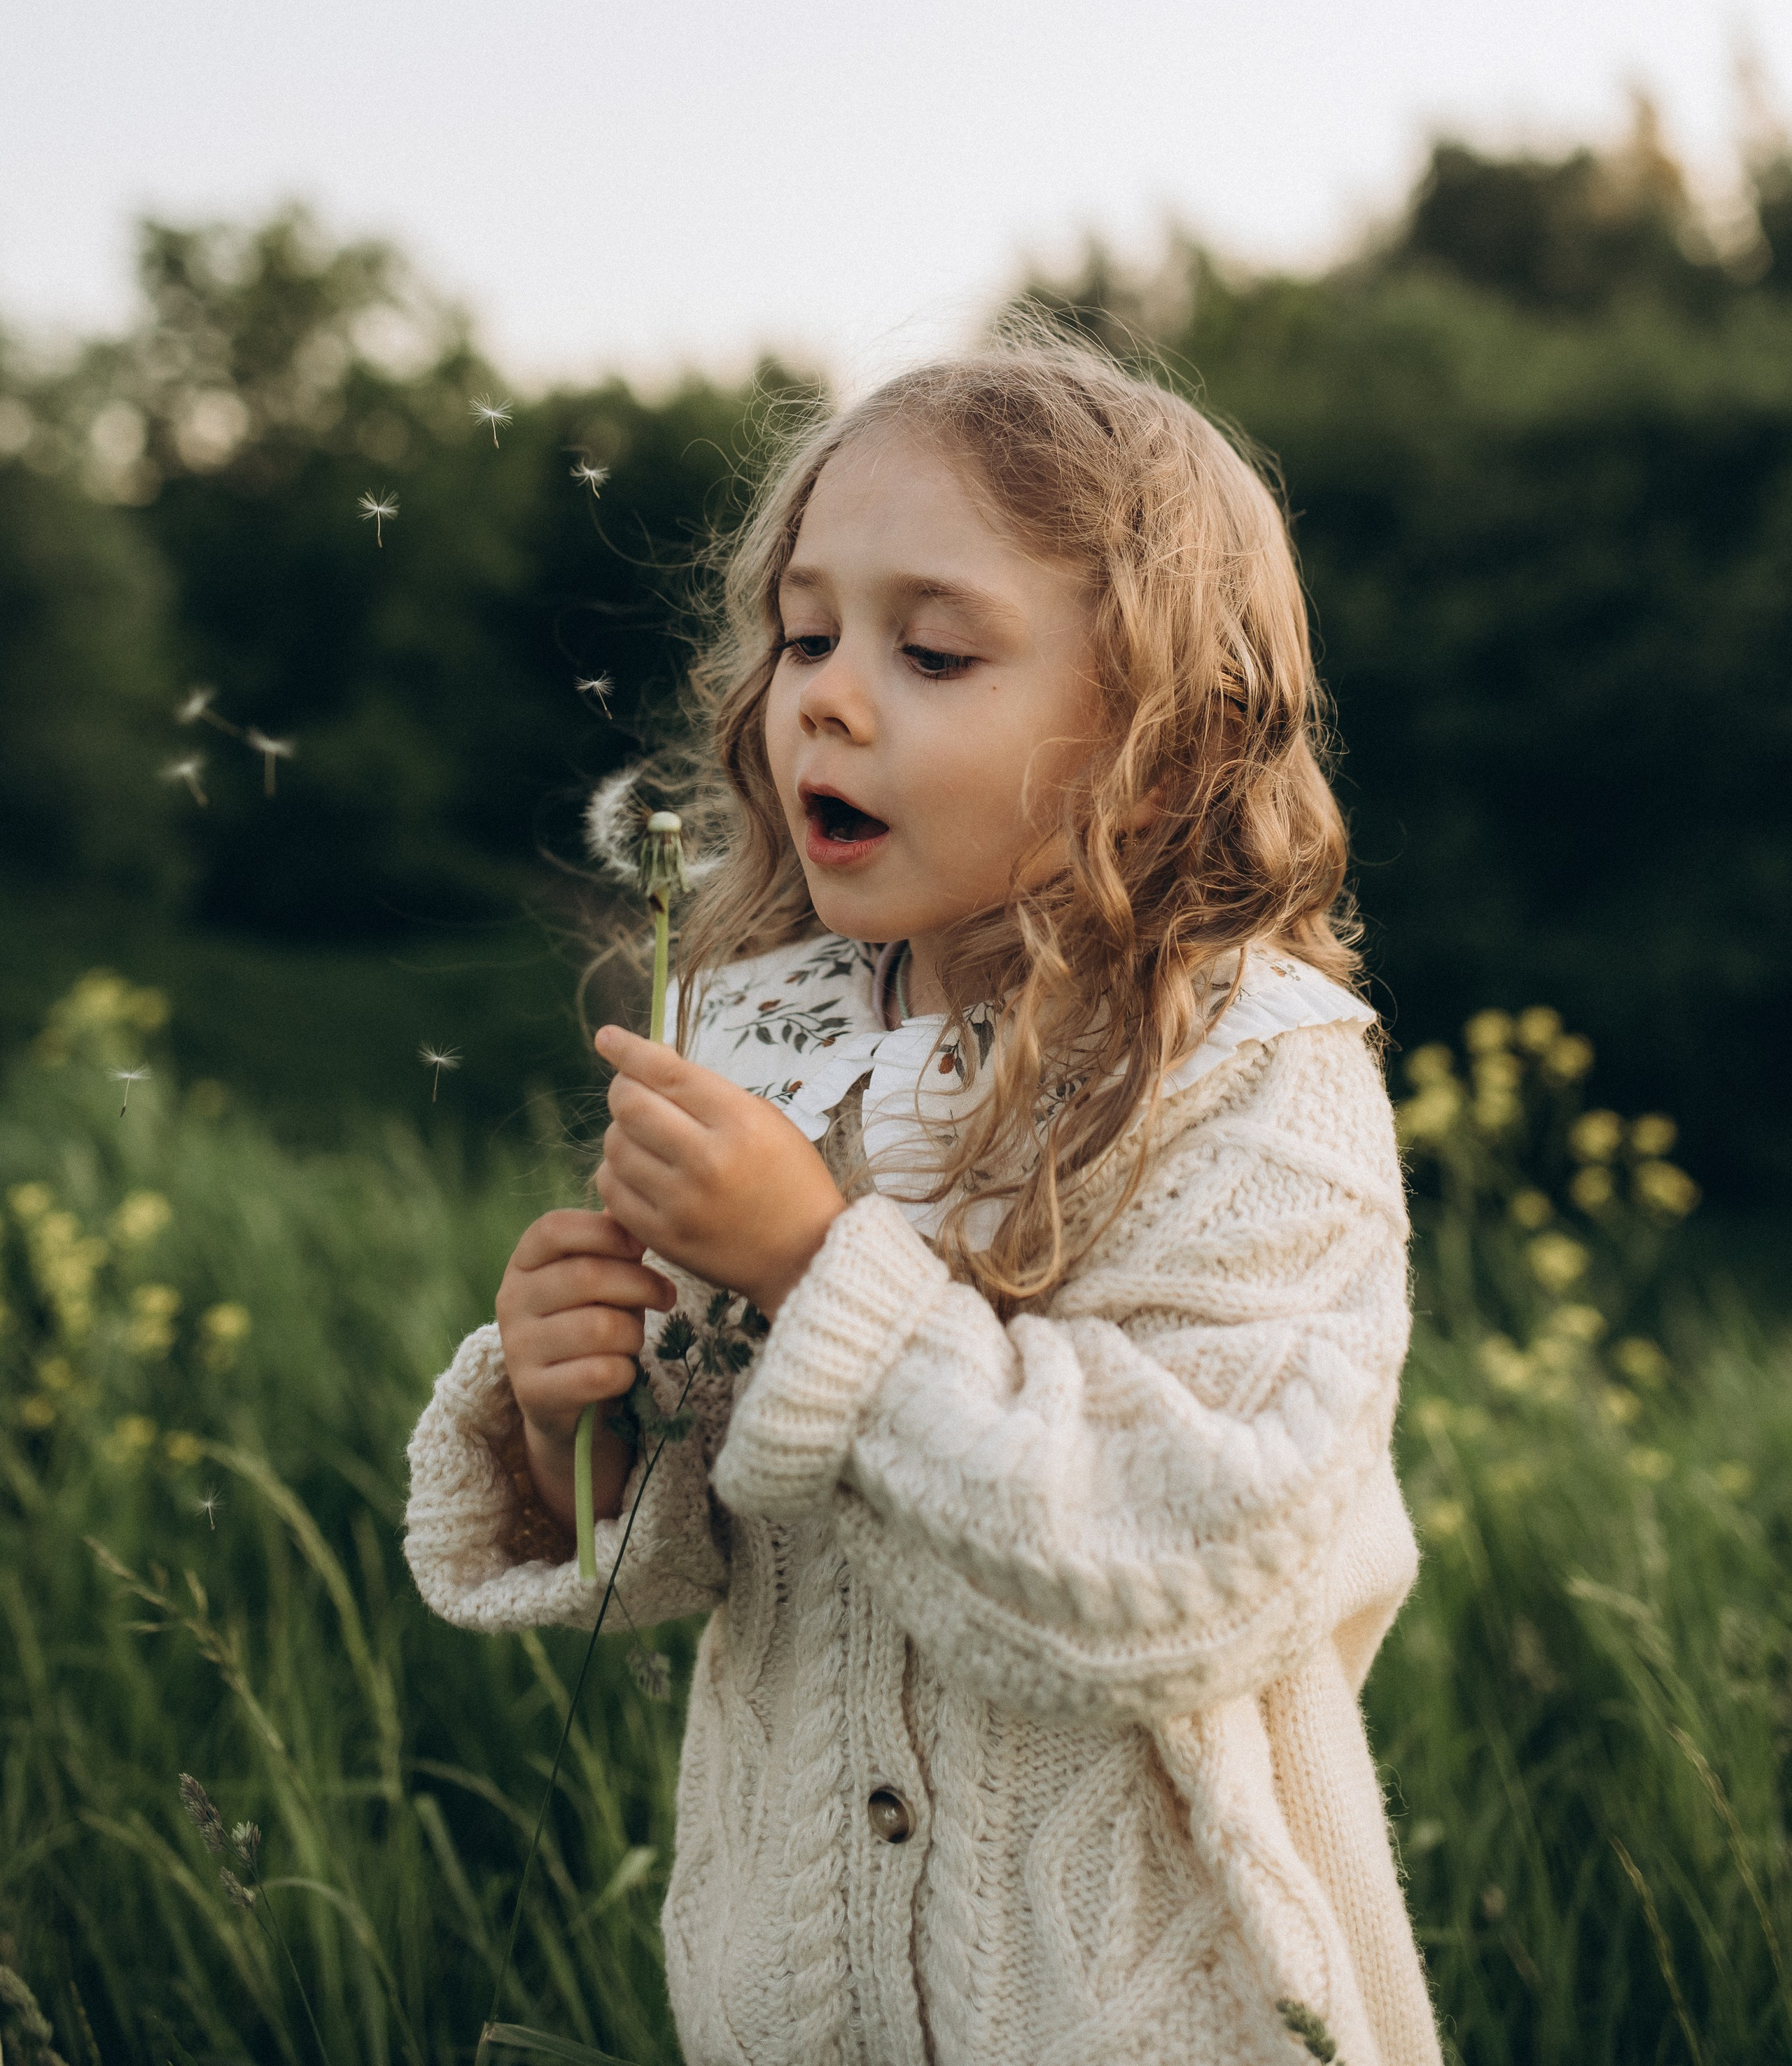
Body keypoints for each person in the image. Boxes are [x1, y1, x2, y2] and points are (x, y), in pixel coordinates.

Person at [405, 341, 1442, 2066]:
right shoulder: (765, 1038)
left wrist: (815, 1267)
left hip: (1144, 2016)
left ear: (1159, 732)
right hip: (793, 2003)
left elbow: (1193, 1562)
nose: (820, 691)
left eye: (932, 647)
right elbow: (682, 1547)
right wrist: (569, 1413)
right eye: (804, 632)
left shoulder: (1256, 1072)